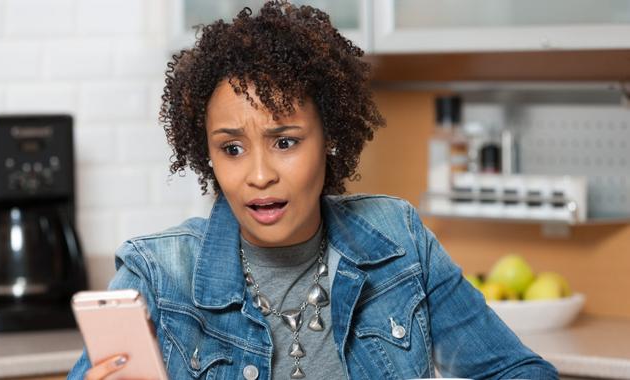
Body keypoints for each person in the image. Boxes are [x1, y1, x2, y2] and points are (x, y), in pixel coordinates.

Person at [69, 1, 559, 379]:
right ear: (206, 155)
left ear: (330, 140)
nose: (259, 175)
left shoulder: (399, 241)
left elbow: (518, 370)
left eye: (285, 141)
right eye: (232, 149)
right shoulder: (158, 276)